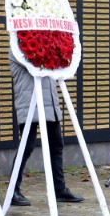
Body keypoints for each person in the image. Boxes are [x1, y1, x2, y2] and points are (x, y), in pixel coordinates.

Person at [9, 57, 84, 207]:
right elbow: (34, 63)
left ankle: (60, 190)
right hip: (29, 101)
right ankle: (13, 192)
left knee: (56, 146)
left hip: (49, 102)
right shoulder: (17, 45)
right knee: (27, 146)